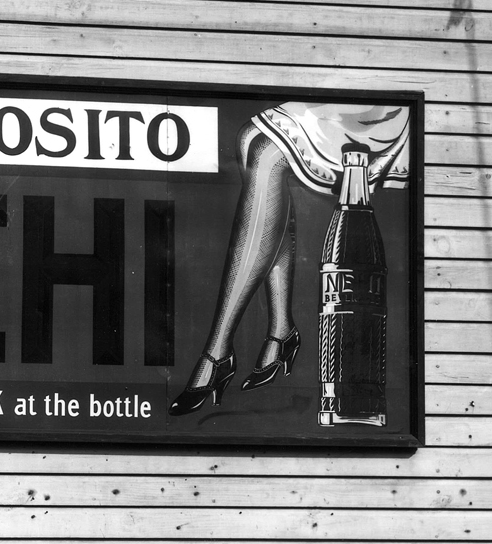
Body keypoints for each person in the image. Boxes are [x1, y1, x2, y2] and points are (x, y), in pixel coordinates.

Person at [168, 99, 414, 415]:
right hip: (338, 106)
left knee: (266, 152)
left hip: (376, 112)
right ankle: (280, 331)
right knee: (252, 142)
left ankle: (218, 353)